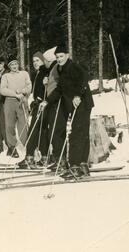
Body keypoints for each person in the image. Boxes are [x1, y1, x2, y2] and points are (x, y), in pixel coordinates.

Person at [40, 43, 94, 178]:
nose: (59, 59)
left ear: (67, 55)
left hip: (82, 103)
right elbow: (59, 89)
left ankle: (76, 165)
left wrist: (78, 95)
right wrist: (48, 100)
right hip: (74, 104)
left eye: (61, 56)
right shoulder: (61, 69)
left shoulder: (74, 67)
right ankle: (81, 164)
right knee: (79, 133)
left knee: (78, 133)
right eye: (57, 57)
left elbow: (83, 79)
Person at [18, 52, 49, 168]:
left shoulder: (44, 72)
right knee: (42, 130)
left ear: (42, 61)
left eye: (38, 60)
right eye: (34, 61)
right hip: (39, 104)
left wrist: (40, 99)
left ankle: (29, 157)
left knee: (34, 130)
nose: (35, 63)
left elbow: (46, 89)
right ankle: (45, 157)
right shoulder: (38, 73)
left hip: (43, 105)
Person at [0, 56, 32, 158]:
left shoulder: (24, 74)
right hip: (9, 102)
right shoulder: (6, 76)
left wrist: (23, 92)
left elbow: (29, 86)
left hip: (22, 101)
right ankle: (12, 147)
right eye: (11, 64)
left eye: (15, 64)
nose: (14, 66)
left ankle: (28, 147)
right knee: (9, 125)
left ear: (18, 64)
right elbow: (3, 90)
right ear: (9, 66)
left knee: (23, 124)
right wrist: (14, 94)